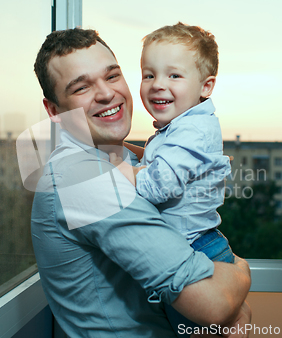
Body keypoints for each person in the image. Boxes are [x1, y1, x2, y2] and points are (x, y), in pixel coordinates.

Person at [31, 27, 251, 337]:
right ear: (55, 111)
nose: (107, 94)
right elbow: (214, 305)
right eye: (81, 87)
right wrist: (241, 272)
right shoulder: (83, 180)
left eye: (112, 76)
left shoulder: (119, 159)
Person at [109, 23, 234, 336]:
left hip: (196, 251)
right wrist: (122, 147)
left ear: (206, 86)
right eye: (149, 75)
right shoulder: (184, 126)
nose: (156, 85)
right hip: (190, 247)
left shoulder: (192, 132)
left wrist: (116, 172)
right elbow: (157, 157)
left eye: (173, 75)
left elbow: (157, 185)